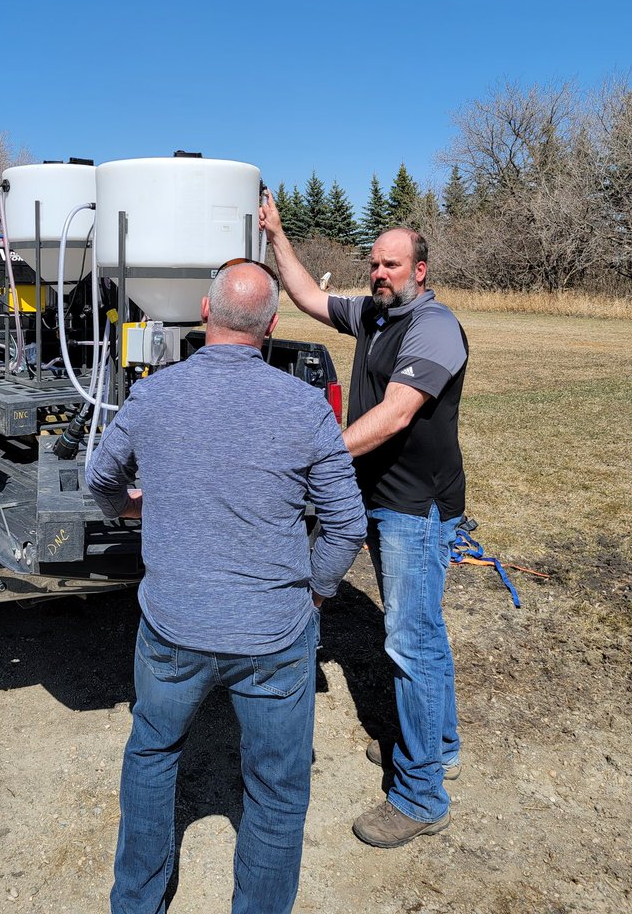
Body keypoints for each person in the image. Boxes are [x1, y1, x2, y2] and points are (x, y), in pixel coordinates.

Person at [86, 260, 366, 914]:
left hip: (172, 627)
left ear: (206, 314)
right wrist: (318, 590)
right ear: (271, 326)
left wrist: (136, 508)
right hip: (275, 635)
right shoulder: (302, 405)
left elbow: (101, 482)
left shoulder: (153, 394)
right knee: (275, 792)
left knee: (152, 755)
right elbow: (347, 522)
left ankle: (136, 903)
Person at [260, 192, 468, 849]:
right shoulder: (375, 317)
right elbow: (305, 298)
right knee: (420, 633)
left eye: (392, 264)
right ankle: (439, 744)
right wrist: (277, 235)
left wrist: (319, 451)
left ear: (420, 271)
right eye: (374, 263)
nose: (379, 273)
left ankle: (420, 795)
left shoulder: (434, 326)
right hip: (382, 498)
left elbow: (399, 412)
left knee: (410, 641)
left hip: (416, 507)